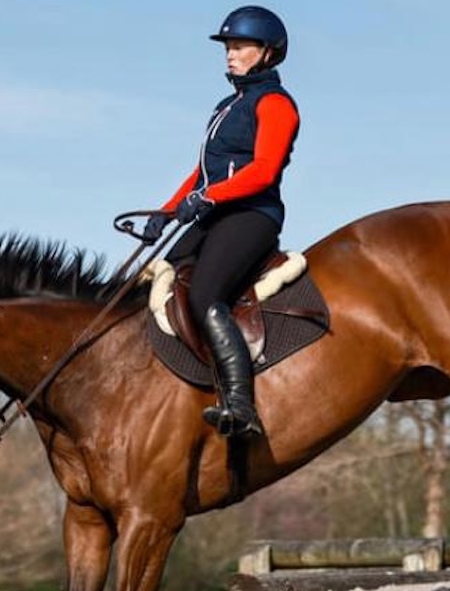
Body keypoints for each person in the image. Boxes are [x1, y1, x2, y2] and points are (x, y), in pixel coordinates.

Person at [143, 5, 300, 438]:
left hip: (252, 216)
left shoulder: (275, 104)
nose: (230, 54)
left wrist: (206, 197)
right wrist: (166, 212)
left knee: (205, 294)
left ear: (267, 53)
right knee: (157, 279)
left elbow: (264, 170)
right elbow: (202, 173)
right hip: (215, 212)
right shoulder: (226, 106)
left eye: (239, 46)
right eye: (228, 47)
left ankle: (240, 404)